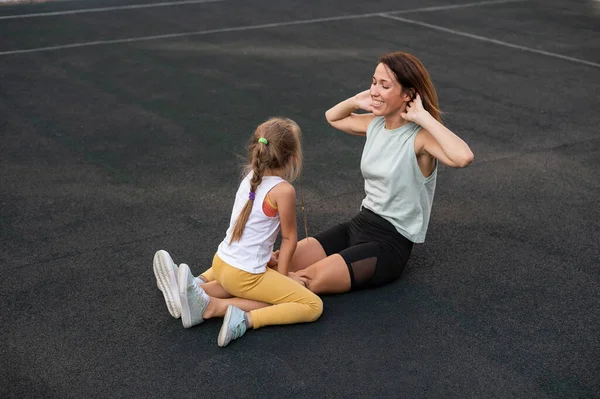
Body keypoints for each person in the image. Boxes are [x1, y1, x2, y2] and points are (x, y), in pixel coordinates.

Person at [270, 51, 474, 293]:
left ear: (408, 95)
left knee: (304, 280)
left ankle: (222, 308)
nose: (375, 90)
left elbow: (464, 157)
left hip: (387, 244)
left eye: (384, 85)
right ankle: (212, 288)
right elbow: (332, 117)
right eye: (374, 82)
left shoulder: (420, 140)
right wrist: (359, 100)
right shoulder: (375, 124)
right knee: (275, 261)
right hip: (358, 225)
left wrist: (424, 117)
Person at [153, 117, 322, 347]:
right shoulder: (284, 190)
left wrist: (267, 257)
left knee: (244, 282)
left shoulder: (251, 176)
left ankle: (192, 288)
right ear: (292, 158)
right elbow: (290, 238)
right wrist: (285, 276)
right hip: (242, 276)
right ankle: (243, 317)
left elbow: (253, 232)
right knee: (312, 305)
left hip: (221, 264)